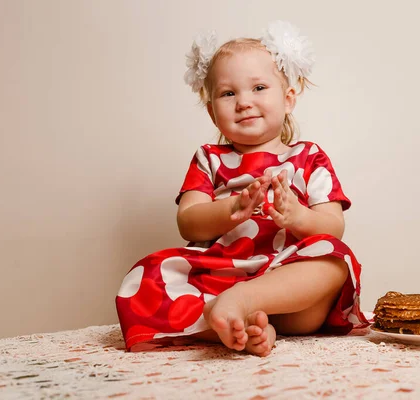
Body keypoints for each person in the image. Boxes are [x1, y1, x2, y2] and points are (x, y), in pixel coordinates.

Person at [116, 21, 369, 356]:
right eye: (228, 93)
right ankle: (235, 325)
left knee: (336, 260)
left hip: (287, 287)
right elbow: (187, 221)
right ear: (212, 111)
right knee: (143, 279)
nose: (244, 102)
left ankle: (240, 304)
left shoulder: (309, 157)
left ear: (289, 98)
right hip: (220, 275)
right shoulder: (209, 158)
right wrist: (230, 210)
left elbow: (333, 227)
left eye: (259, 88)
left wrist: (297, 216)